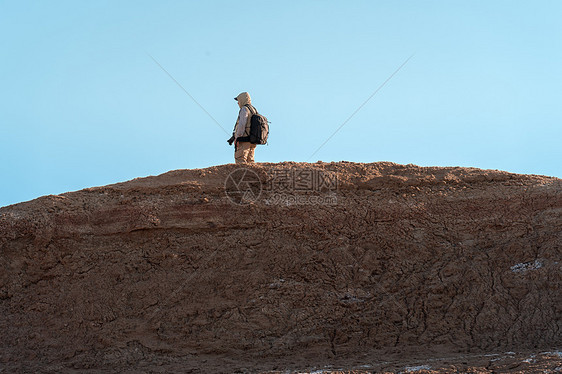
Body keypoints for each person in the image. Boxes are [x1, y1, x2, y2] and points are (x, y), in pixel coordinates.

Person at [233, 92, 257, 164]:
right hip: (252, 141)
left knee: (240, 160)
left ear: (242, 100)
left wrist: (237, 138)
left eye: (238, 100)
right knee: (251, 162)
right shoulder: (253, 109)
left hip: (244, 140)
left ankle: (243, 175)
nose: (238, 103)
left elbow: (242, 125)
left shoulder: (244, 109)